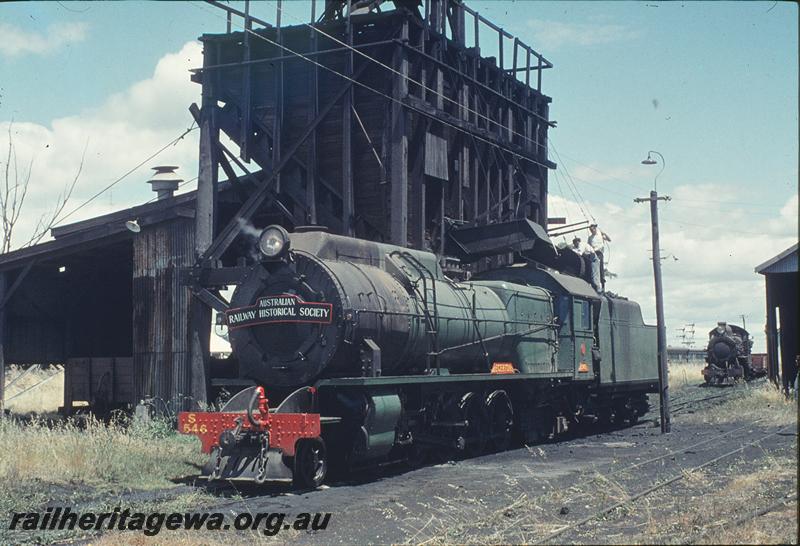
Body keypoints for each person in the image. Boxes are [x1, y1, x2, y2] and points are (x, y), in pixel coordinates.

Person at [587, 223, 611, 291]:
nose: (592, 231)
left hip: (599, 252)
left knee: (600, 269)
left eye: (592, 229)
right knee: (594, 269)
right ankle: (595, 286)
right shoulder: (590, 238)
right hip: (593, 253)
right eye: (590, 230)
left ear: (595, 229)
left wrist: (604, 233)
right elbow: (588, 246)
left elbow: (609, 240)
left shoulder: (600, 235)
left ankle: (603, 286)